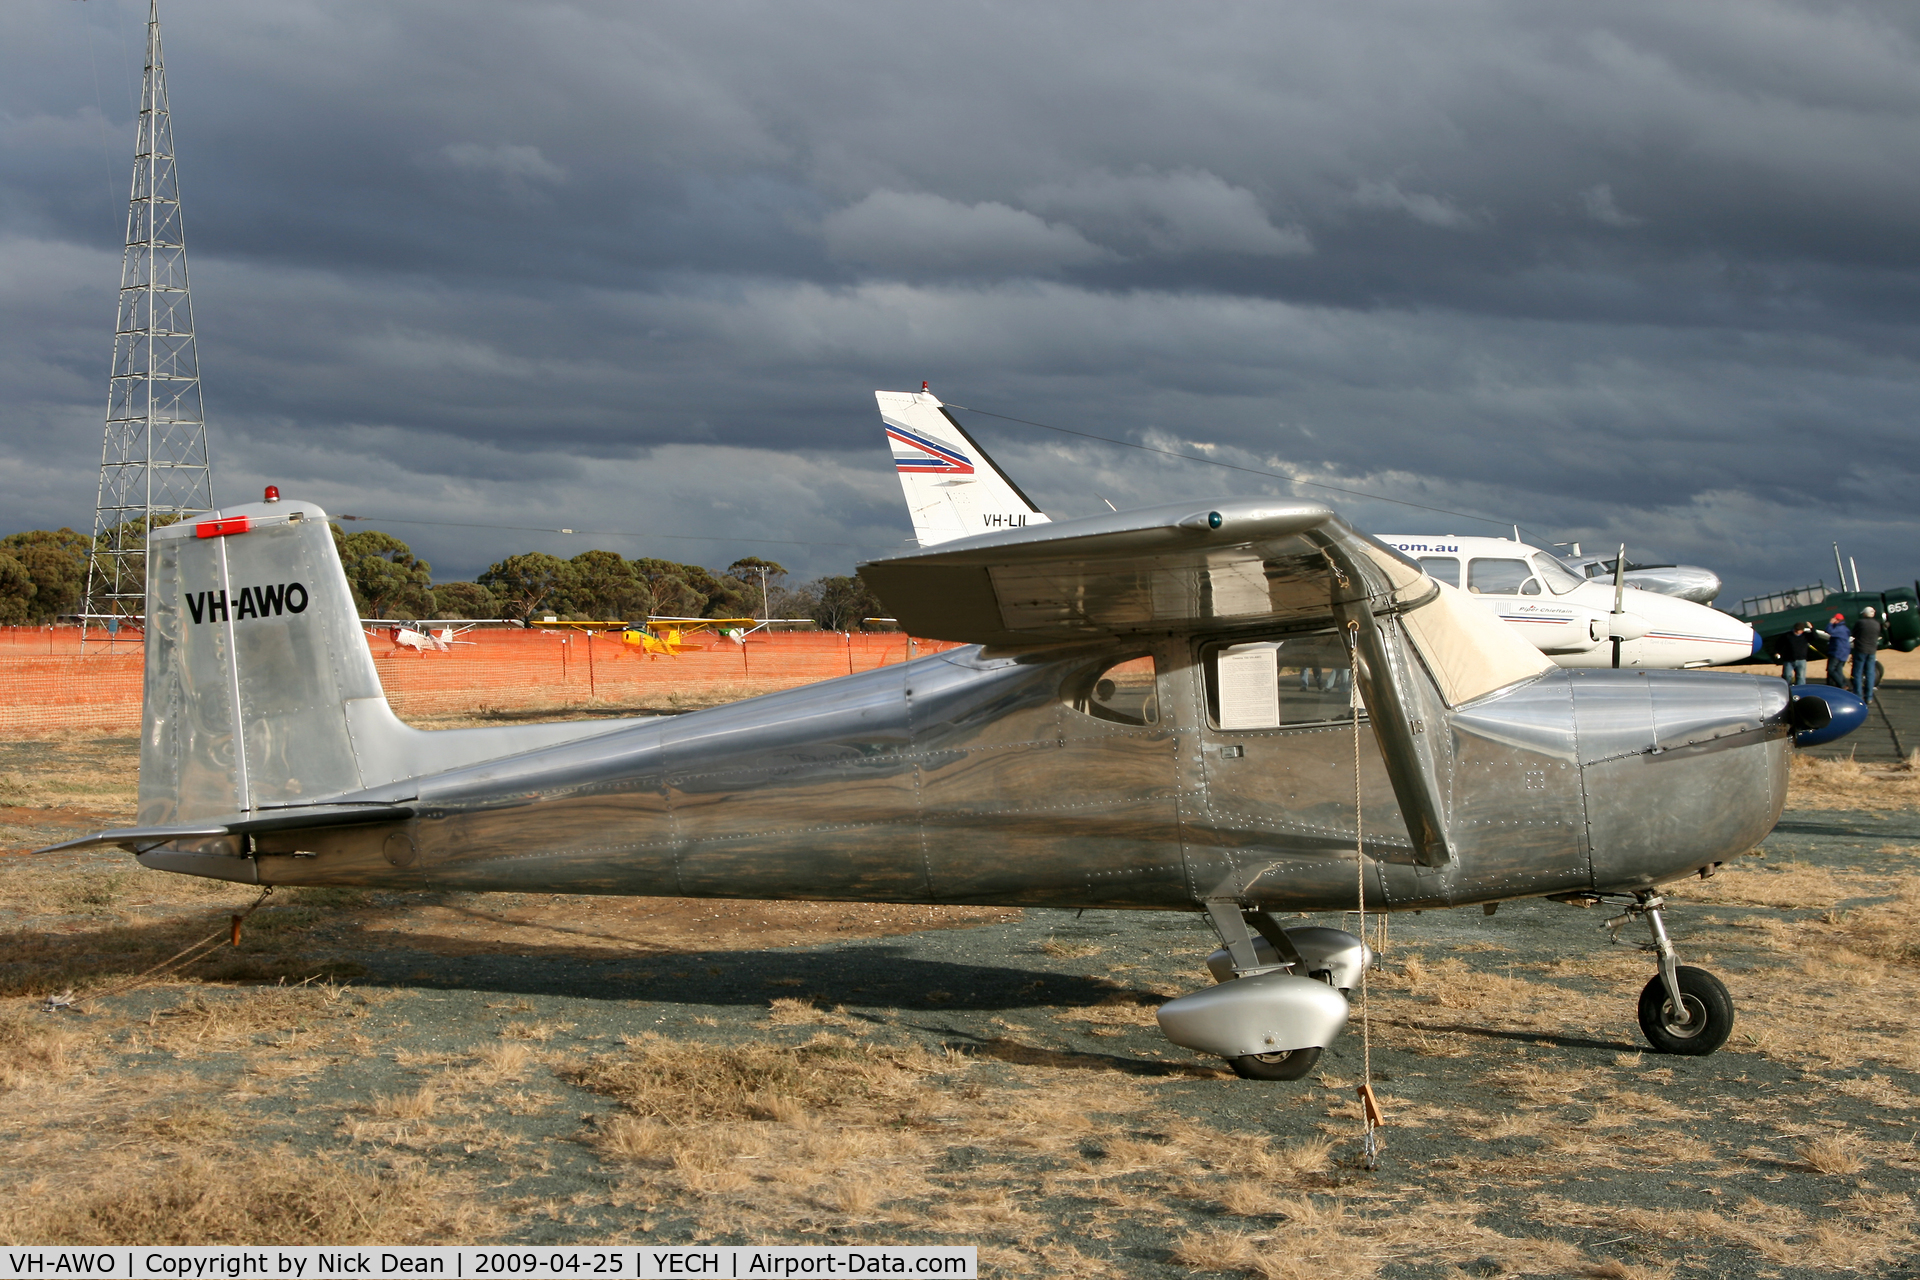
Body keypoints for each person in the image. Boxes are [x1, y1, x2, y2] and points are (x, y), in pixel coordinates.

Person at [1854, 606, 1883, 703]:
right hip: (1872, 651)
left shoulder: (1860, 623)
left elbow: (1854, 633)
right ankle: (1869, 696)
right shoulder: (1877, 624)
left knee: (1857, 673)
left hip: (1861, 650)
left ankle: (1858, 695)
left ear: (1865, 614)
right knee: (1870, 673)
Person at [1821, 612, 1851, 688]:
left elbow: (1828, 631)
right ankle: (1844, 684)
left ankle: (1842, 684)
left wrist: (1830, 623)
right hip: (1844, 652)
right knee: (1838, 670)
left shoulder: (1839, 629)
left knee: (1831, 669)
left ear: (1837, 620)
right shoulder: (1845, 628)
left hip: (1837, 652)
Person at [1780, 621, 1813, 686]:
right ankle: (1787, 688)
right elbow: (1779, 644)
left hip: (1801, 659)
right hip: (1789, 659)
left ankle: (1800, 689)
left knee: (1800, 677)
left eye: (1799, 630)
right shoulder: (1787, 635)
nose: (1797, 631)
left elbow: (1815, 637)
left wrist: (1812, 628)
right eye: (1796, 629)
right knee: (1787, 675)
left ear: (1802, 630)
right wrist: (1778, 652)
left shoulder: (1805, 636)